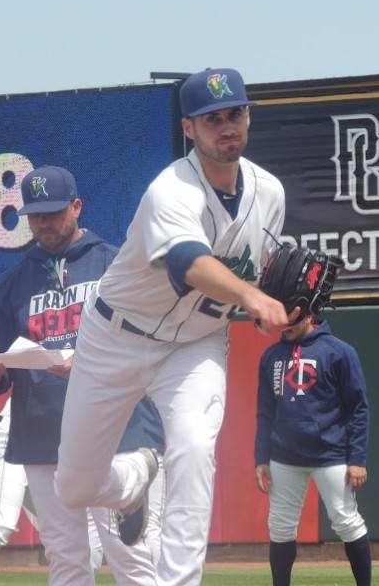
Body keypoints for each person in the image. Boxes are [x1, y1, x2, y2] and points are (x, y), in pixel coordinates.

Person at [54, 67, 294, 585]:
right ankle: (134, 478)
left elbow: (258, 272)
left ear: (248, 115)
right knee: (73, 487)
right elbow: (190, 264)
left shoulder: (270, 193)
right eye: (212, 120)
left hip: (195, 345)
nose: (226, 126)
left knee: (191, 451)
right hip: (115, 337)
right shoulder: (171, 191)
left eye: (235, 113)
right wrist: (251, 295)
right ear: (189, 129)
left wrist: (270, 301)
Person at [0, 165, 166, 586]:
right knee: (65, 556)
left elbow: (152, 340)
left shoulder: (114, 264)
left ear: (76, 207)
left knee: (130, 553)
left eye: (54, 212)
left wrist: (93, 364)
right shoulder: (13, 283)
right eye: (36, 215)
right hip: (42, 432)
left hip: (116, 428)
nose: (44, 222)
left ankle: (134, 487)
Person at [254, 312, 372, 586]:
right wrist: (261, 457)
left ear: (308, 315)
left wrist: (357, 458)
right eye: (281, 320)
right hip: (284, 456)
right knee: (281, 528)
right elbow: (265, 411)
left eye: (291, 319)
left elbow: (358, 408)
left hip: (331, 455)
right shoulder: (271, 356)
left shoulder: (340, 352)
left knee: (347, 522)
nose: (285, 326)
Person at [0, 397, 107, 585]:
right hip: (10, 435)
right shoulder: (73, 371)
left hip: (46, 448)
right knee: (0, 523)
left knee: (87, 534)